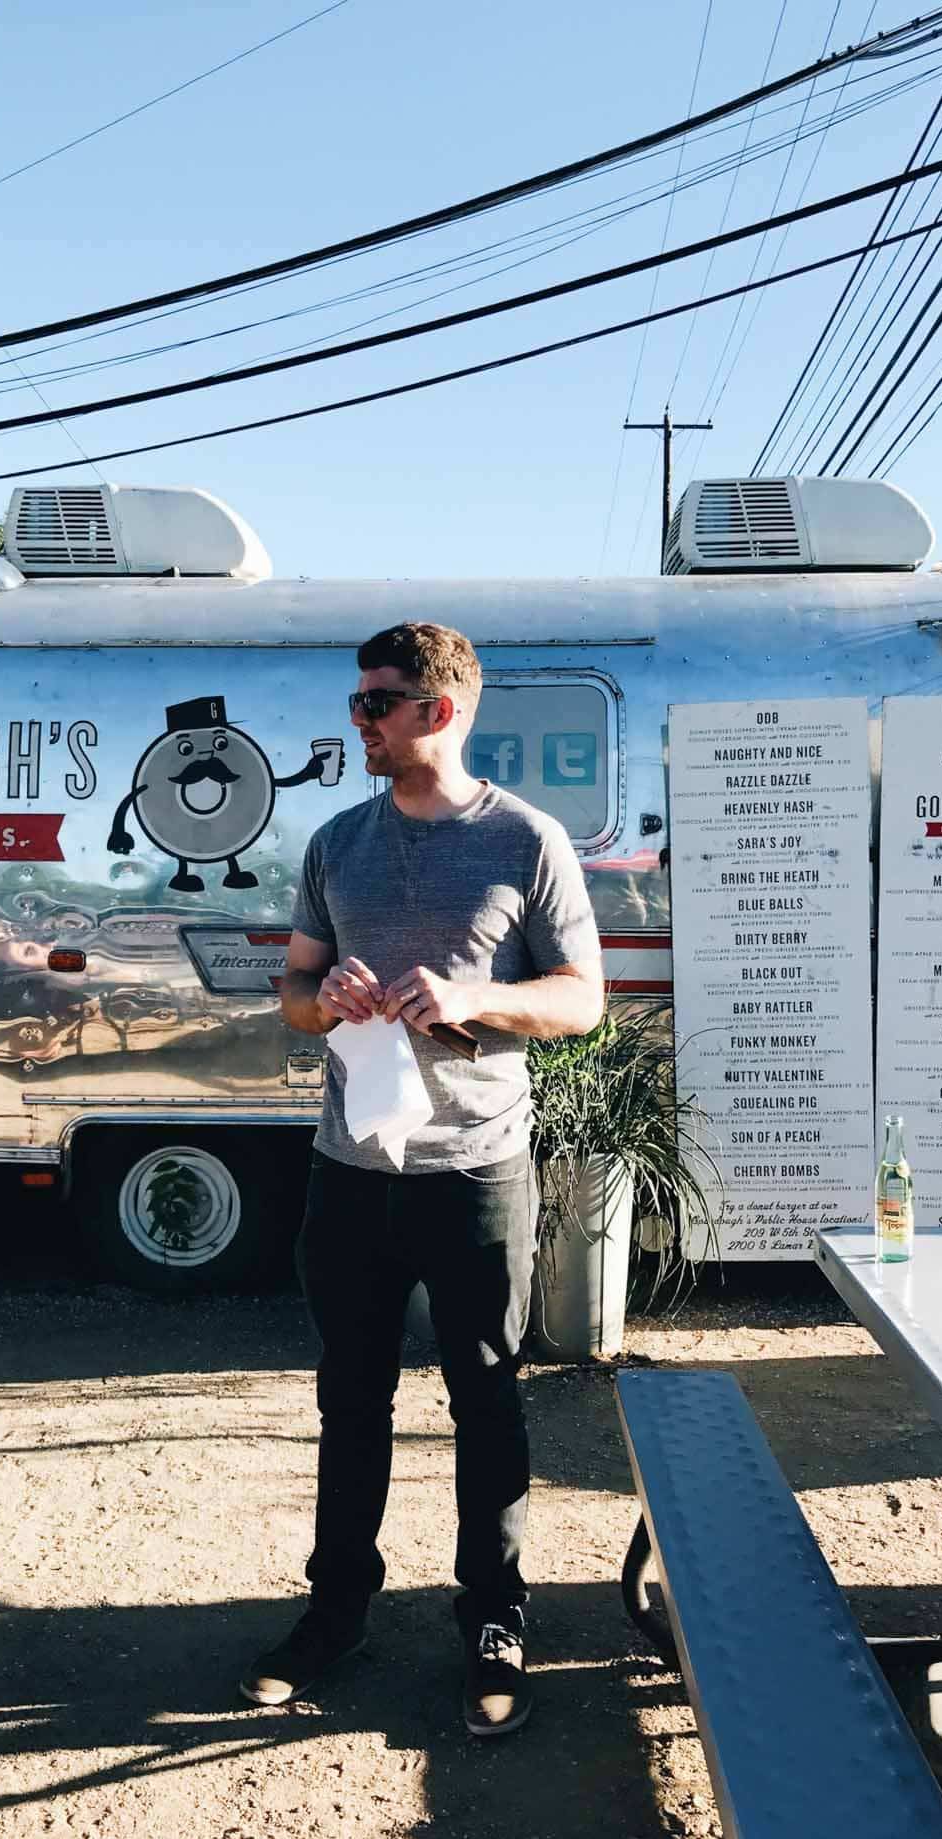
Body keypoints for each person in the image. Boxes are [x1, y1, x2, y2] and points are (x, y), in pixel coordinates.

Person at [239, 622, 602, 1737]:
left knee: (487, 1397)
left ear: (435, 712)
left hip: (476, 1171)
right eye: (357, 702)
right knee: (350, 1399)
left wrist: (473, 1000)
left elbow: (582, 999)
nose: (357, 722)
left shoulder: (528, 843)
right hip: (348, 1171)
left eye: (373, 705)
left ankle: (493, 1617)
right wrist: (326, 999)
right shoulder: (337, 842)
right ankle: (334, 1612)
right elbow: (293, 995)